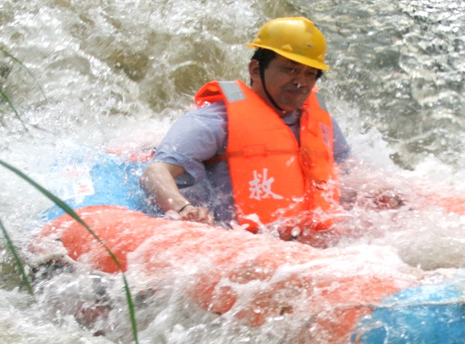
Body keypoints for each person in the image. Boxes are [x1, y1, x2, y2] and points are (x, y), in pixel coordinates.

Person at [140, 17, 353, 242]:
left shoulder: (322, 124)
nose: (300, 82)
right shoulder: (215, 122)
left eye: (310, 73)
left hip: (304, 245)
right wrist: (183, 208)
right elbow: (154, 173)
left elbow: (349, 174)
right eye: (290, 70)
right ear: (255, 70)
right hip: (238, 244)